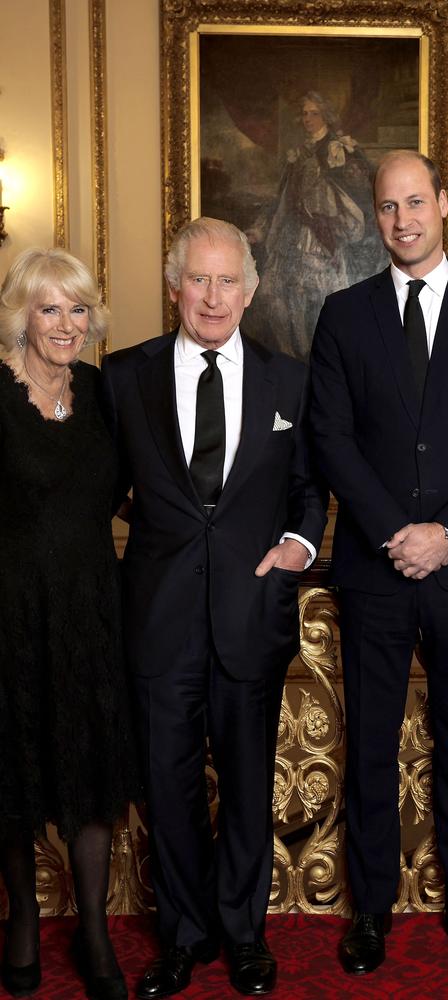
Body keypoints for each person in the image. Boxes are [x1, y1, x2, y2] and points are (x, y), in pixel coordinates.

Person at [309, 150, 448, 976]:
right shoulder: (343, 313)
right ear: (374, 216)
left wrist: (446, 533)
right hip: (375, 571)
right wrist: (393, 532)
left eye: (415, 201)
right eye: (386, 207)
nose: (402, 220)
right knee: (368, 743)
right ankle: (369, 911)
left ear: (444, 200)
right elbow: (330, 438)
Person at [101, 217, 327, 999]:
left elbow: (307, 487)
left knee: (245, 786)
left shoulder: (288, 380)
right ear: (173, 287)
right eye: (197, 279)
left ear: (252, 290)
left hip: (248, 617)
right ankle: (182, 937)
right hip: (158, 620)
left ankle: (242, 935)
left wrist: (297, 545)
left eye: (228, 280)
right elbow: (95, 484)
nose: (212, 296)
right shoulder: (122, 375)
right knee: (168, 793)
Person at [0, 248, 139, 1000]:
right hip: (11, 613)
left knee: (91, 770)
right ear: (21, 314)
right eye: (49, 308)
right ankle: (22, 916)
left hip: (91, 611)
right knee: (14, 771)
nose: (66, 324)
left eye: (78, 309)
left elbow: (126, 491)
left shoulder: (98, 391)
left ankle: (92, 927)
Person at [247, 90, 385, 361]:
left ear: (326, 117)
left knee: (322, 298)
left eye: (314, 113)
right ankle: (293, 358)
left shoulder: (340, 148)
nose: (307, 119)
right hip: (294, 232)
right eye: (304, 113)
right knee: (276, 295)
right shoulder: (297, 154)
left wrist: (331, 216)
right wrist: (261, 228)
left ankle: (323, 358)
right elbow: (283, 197)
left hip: (326, 235)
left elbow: (362, 192)